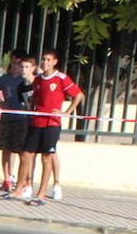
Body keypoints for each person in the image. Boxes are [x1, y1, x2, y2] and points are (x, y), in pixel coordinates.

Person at [11, 48, 83, 207]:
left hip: (52, 123)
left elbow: (78, 94)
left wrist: (67, 112)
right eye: (43, 59)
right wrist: (33, 104)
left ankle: (41, 194)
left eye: (48, 60)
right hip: (36, 122)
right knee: (26, 154)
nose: (45, 62)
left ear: (55, 62)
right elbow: (37, 97)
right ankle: (19, 189)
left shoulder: (61, 78)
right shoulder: (38, 80)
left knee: (46, 157)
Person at [0, 53, 32, 192]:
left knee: (22, 152)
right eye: (14, 63)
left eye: (20, 64)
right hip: (7, 118)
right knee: (5, 148)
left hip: (22, 119)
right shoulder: (5, 79)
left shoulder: (26, 80)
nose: (17, 67)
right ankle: (6, 178)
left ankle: (24, 181)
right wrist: (0, 102)